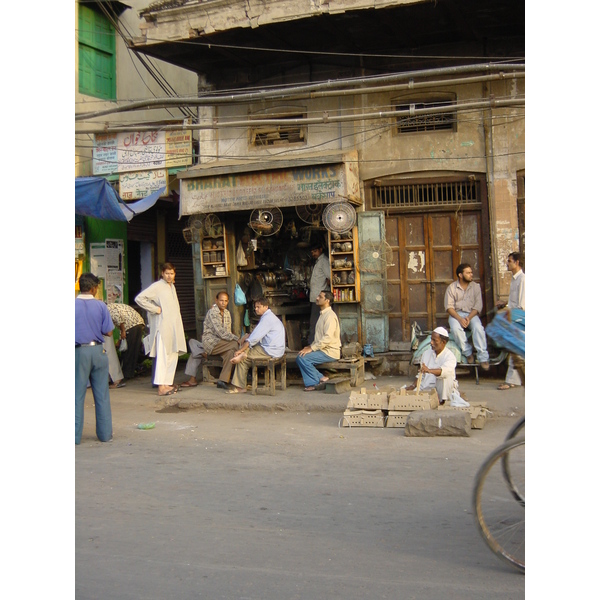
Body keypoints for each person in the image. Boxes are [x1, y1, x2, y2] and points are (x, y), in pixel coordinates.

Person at [135, 263, 187, 397]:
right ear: (162, 274)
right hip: (163, 327)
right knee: (164, 357)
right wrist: (155, 309)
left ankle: (167, 383)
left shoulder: (172, 286)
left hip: (173, 327)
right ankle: (160, 386)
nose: (169, 276)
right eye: (167, 273)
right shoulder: (157, 286)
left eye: (172, 273)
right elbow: (140, 298)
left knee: (172, 355)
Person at [75, 273, 114, 445]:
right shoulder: (101, 306)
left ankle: (75, 436)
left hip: (78, 352)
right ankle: (105, 435)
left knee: (76, 395)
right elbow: (109, 332)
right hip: (99, 351)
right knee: (102, 395)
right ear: (93, 288)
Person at [226, 297, 286, 394]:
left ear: (266, 307)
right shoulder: (269, 317)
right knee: (248, 348)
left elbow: (252, 340)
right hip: (275, 349)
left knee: (242, 360)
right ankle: (245, 354)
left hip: (270, 351)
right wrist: (247, 336)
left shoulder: (267, 319)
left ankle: (240, 387)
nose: (256, 309)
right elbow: (255, 334)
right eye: (255, 307)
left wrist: (240, 350)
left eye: (258, 307)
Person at [444, 263, 489, 370]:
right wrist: (459, 319)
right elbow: (449, 307)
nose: (471, 275)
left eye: (471, 272)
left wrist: (468, 318)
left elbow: (478, 306)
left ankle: (483, 357)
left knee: (478, 328)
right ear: (460, 275)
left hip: (471, 314)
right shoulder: (452, 288)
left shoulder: (475, 287)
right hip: (456, 315)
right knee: (455, 329)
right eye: (468, 273)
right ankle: (468, 353)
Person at [296, 290, 341, 391]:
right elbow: (319, 338)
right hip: (322, 349)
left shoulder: (330, 316)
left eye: (320, 297)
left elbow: (327, 338)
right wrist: (310, 347)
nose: (317, 298)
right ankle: (321, 377)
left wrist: (312, 348)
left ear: (327, 300)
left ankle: (314, 383)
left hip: (330, 351)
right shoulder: (322, 315)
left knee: (303, 358)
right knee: (300, 356)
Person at [406, 326, 458, 405]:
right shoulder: (426, 353)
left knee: (444, 377)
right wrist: (413, 386)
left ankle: (441, 402)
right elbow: (421, 375)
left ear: (443, 342)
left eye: (434, 340)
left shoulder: (450, 357)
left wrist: (429, 370)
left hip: (442, 390)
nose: (431, 342)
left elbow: (443, 372)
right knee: (407, 397)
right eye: (431, 339)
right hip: (426, 388)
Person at [496, 252, 525, 390]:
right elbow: (513, 302)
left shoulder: (523, 280)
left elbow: (522, 304)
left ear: (517, 262)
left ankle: (512, 381)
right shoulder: (514, 279)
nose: (507, 263)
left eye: (509, 261)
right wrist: (504, 304)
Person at [200, 291, 240, 389]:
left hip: (222, 344)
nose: (223, 303)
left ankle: (222, 380)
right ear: (216, 300)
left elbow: (228, 332)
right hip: (211, 343)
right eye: (221, 300)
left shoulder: (227, 313)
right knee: (236, 344)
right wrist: (239, 339)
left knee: (231, 352)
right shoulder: (212, 312)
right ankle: (240, 374)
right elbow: (220, 332)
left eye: (226, 301)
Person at [107, 303, 146, 381]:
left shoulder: (108, 309)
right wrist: (120, 339)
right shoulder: (113, 306)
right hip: (137, 323)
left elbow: (119, 320)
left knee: (128, 351)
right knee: (133, 350)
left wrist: (123, 332)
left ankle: (126, 374)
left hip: (131, 325)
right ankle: (130, 372)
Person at [308, 242, 330, 344]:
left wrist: (325, 292)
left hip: (320, 299)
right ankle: (313, 344)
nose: (313, 253)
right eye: (312, 252)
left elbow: (329, 277)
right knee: (315, 323)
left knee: (314, 323)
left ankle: (311, 345)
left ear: (321, 249)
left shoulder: (324, 261)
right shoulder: (318, 262)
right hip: (315, 299)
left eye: (315, 251)